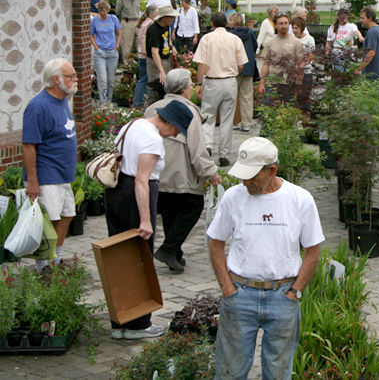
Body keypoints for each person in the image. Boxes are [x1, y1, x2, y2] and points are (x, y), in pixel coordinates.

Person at [207, 137, 324, 380]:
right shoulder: (233, 197)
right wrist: (227, 288)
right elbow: (216, 243)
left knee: (278, 374)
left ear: (272, 170)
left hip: (283, 297)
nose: (245, 181)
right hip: (239, 295)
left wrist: (295, 292)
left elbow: (313, 251)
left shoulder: (300, 199)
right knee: (229, 373)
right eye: (242, 175)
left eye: (252, 176)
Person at [106, 100, 193, 340]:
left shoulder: (132, 125)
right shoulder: (153, 139)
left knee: (119, 258)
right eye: (176, 129)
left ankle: (119, 322)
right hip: (136, 197)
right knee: (139, 260)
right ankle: (138, 325)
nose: (175, 134)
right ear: (168, 122)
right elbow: (141, 180)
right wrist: (146, 219)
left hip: (115, 193)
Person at [144, 69, 220, 274]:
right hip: (181, 173)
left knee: (170, 210)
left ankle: (174, 253)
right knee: (192, 206)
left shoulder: (151, 108)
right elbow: (197, 148)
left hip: (155, 172)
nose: (193, 88)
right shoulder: (188, 111)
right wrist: (210, 172)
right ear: (185, 89)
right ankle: (169, 249)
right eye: (191, 85)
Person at [22, 58, 78, 273]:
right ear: (56, 79)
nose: (75, 80)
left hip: (63, 174)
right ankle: (42, 268)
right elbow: (28, 145)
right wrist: (33, 181)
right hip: (47, 175)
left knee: (67, 215)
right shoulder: (38, 107)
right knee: (49, 223)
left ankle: (55, 261)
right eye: (70, 76)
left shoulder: (63, 100)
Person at [194, 12, 248, 167]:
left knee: (208, 116)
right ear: (226, 23)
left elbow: (201, 64)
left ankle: (207, 146)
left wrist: (199, 83)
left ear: (212, 24)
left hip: (212, 81)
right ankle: (224, 154)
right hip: (230, 81)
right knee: (227, 119)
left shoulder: (207, 38)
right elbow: (241, 64)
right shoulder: (235, 39)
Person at [258, 12, 305, 105]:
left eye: (286, 23)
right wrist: (262, 83)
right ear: (275, 25)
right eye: (280, 23)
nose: (284, 26)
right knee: (268, 111)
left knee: (287, 112)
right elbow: (265, 64)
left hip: (289, 83)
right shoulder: (270, 43)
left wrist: (299, 84)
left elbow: (301, 64)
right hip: (272, 83)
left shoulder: (296, 43)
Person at [145, 4, 179, 107]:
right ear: (164, 17)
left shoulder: (166, 26)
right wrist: (161, 71)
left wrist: (171, 46)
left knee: (166, 90)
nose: (173, 19)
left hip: (166, 59)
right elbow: (154, 53)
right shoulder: (154, 30)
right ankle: (149, 113)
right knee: (155, 91)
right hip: (156, 63)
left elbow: (167, 38)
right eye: (171, 17)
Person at [229, 12, 258, 132]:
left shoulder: (231, 35)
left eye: (230, 20)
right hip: (249, 66)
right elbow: (255, 46)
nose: (229, 22)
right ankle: (246, 123)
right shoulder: (250, 33)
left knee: (232, 96)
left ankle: (235, 121)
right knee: (247, 96)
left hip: (235, 67)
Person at [90, 1, 122, 104]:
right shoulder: (95, 20)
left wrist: (116, 46)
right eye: (100, 11)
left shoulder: (113, 18)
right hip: (100, 52)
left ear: (107, 10)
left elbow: (119, 33)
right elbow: (91, 34)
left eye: (104, 11)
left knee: (110, 80)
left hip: (112, 52)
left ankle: (109, 100)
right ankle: (103, 102)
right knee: (102, 79)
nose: (102, 13)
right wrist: (96, 47)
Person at [132, 6, 157, 109]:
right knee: (144, 79)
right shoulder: (149, 24)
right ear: (151, 14)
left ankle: (140, 101)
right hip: (145, 55)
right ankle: (137, 102)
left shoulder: (142, 23)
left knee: (143, 78)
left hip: (140, 54)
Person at [355, 7, 379, 79]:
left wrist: (359, 68)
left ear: (370, 18)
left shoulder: (372, 32)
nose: (361, 20)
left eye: (363, 18)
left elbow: (371, 53)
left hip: (372, 72)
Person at [291, 16, 315, 111]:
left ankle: (305, 119)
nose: (294, 30)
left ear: (302, 28)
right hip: (293, 73)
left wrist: (301, 64)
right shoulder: (291, 39)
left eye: (296, 28)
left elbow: (310, 56)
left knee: (304, 98)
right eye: (292, 28)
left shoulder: (309, 39)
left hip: (306, 72)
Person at [114, 0, 141, 66]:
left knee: (140, 44)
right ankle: (127, 65)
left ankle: (138, 64)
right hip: (127, 21)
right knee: (126, 45)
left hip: (137, 21)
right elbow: (117, 11)